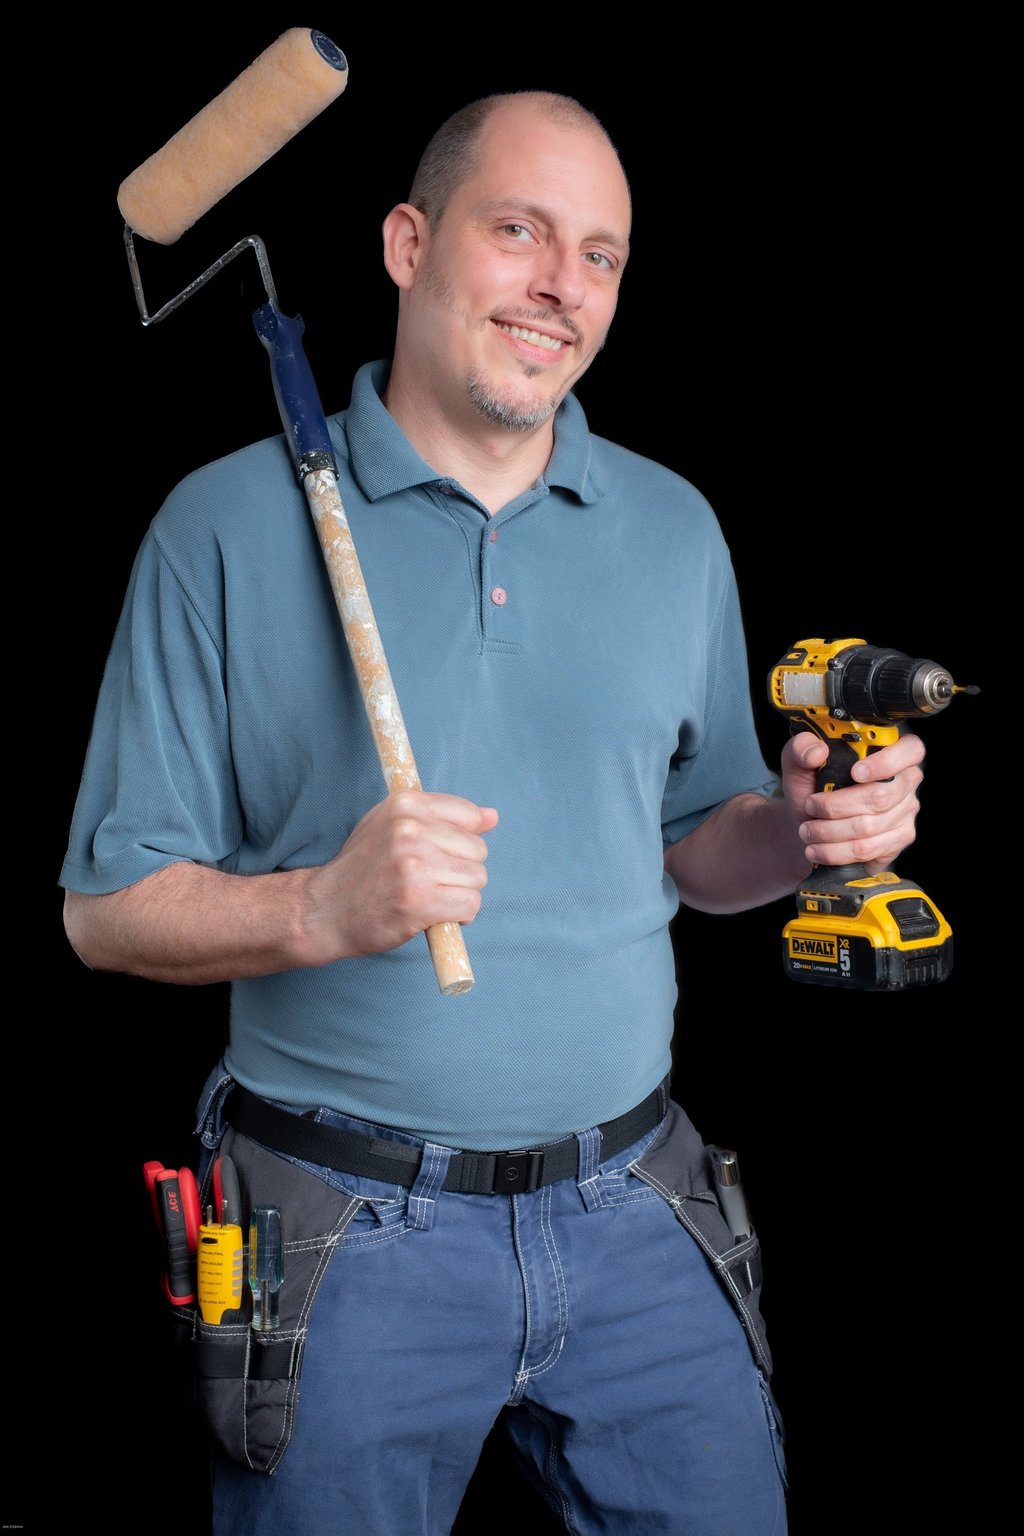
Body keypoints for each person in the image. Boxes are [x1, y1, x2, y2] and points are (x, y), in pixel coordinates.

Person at [60, 90, 925, 1535]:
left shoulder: (672, 528)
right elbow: (103, 914)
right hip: (345, 1227)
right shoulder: (218, 526)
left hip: (637, 1203)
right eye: (517, 231)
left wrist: (796, 834)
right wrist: (320, 909)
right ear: (409, 243)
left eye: (599, 255)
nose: (558, 287)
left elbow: (691, 852)